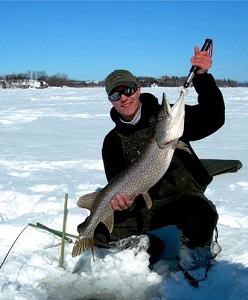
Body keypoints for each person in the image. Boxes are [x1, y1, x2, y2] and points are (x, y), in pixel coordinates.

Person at [77, 46, 225, 272]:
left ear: (138, 90)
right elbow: (116, 181)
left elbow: (214, 117)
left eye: (127, 90)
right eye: (115, 95)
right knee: (94, 231)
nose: (123, 98)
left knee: (201, 214)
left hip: (182, 198)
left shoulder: (169, 122)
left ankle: (194, 255)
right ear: (110, 100)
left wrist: (203, 78)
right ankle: (146, 244)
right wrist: (123, 206)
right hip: (145, 206)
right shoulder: (112, 142)